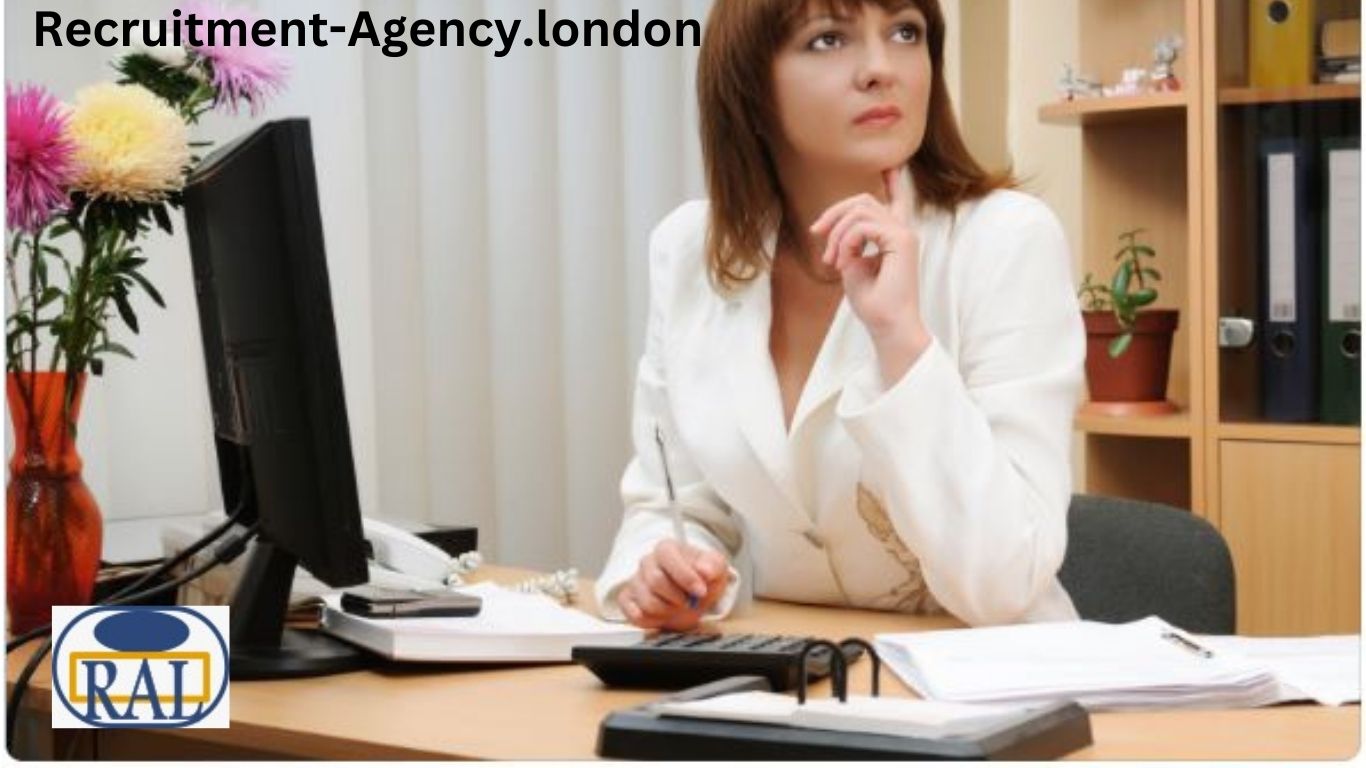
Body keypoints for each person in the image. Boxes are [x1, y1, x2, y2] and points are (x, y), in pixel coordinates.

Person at [595, 0, 1084, 631]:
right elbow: (673, 503)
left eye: (905, 32)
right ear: (750, 83)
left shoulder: (1005, 239)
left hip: (987, 675)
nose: (882, 68)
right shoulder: (692, 251)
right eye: (828, 40)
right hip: (796, 669)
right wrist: (663, 573)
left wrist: (900, 339)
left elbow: (1006, 581)